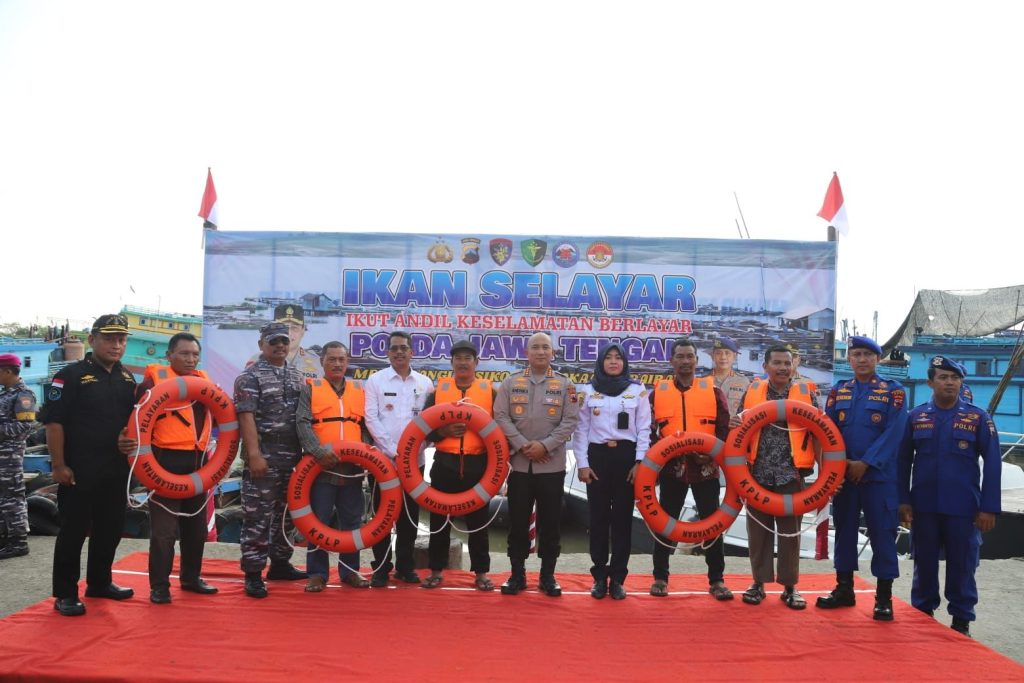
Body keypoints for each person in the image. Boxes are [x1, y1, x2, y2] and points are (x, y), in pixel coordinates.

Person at [41, 315, 138, 616]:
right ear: (92, 340)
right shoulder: (70, 376)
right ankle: (66, 593)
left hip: (115, 469)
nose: (116, 344)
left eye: (121, 339)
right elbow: (53, 422)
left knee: (110, 529)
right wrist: (58, 465)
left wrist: (127, 441)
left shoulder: (127, 379)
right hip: (79, 468)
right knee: (74, 531)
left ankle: (99, 582)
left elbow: (131, 423)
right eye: (109, 338)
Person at [899, 356, 1001, 637]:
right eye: (943, 377)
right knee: (924, 561)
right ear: (931, 382)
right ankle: (923, 614)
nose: (949, 383)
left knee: (963, 563)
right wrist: (903, 500)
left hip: (963, 506)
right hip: (924, 506)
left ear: (961, 383)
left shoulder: (978, 418)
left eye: (954, 378)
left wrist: (989, 508)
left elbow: (993, 464)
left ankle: (961, 620)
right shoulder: (916, 417)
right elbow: (903, 461)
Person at [819, 335, 907, 620]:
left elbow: (895, 433)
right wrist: (840, 463)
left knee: (882, 534)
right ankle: (844, 589)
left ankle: (884, 599)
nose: (862, 360)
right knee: (844, 531)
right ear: (849, 358)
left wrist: (866, 462)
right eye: (856, 354)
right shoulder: (838, 391)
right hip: (845, 475)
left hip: (878, 478)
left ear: (877, 359)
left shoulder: (893, 392)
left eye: (868, 355)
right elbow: (826, 429)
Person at [135, 333, 219, 604]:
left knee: (197, 529)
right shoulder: (153, 382)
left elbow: (223, 416)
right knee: (164, 532)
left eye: (195, 354)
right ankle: (159, 586)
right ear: (169, 355)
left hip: (198, 464)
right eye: (184, 354)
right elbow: (136, 424)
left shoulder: (204, 382)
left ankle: (191, 578)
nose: (190, 359)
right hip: (164, 464)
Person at [495, 332, 580, 597]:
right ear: (527, 353)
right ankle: (517, 575)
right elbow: (500, 416)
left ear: (553, 353)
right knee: (517, 522)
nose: (541, 352)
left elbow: (570, 421)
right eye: (535, 347)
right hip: (519, 467)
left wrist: (545, 446)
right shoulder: (510, 383)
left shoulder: (566, 386)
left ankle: (548, 576)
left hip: (552, 467)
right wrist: (523, 444)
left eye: (545, 347)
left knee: (551, 523)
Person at [648, 338, 733, 601]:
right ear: (672, 361)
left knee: (712, 524)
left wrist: (709, 456)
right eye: (680, 357)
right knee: (666, 523)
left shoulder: (713, 391)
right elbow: (648, 431)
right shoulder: (657, 392)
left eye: (690, 357)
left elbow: (724, 428)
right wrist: (660, 454)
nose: (685, 362)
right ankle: (660, 577)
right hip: (672, 468)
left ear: (697, 361)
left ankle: (716, 580)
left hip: (705, 468)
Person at [735, 345, 819, 609]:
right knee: (757, 533)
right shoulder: (752, 392)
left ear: (794, 366)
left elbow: (819, 433)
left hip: (790, 474)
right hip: (756, 473)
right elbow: (738, 427)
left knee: (789, 534)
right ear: (766, 367)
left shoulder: (807, 395)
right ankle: (758, 583)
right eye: (777, 363)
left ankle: (790, 586)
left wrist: (826, 475)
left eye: (787, 363)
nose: (783, 368)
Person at [234, 322, 308, 599]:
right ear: (261, 344)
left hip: (292, 455)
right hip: (264, 454)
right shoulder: (249, 377)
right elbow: (246, 416)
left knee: (285, 514)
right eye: (273, 341)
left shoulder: (297, 376)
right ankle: (253, 573)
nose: (280, 346)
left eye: (284, 341)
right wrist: (254, 455)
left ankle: (280, 563)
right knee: (257, 516)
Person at [572, 343, 651, 600]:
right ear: (601, 362)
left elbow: (644, 429)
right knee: (597, 519)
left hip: (626, 458)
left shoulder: (637, 390)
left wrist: (640, 463)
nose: (614, 361)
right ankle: (598, 577)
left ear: (625, 362)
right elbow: (581, 430)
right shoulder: (587, 391)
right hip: (598, 458)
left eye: (619, 357)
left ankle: (617, 578)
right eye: (609, 357)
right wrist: (582, 464)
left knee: (622, 520)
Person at [421, 340, 497, 591]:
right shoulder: (438, 392)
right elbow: (424, 431)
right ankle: (435, 570)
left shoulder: (490, 392)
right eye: (458, 358)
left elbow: (500, 431)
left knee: (479, 523)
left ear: (477, 363)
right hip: (445, 464)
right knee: (438, 521)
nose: (463, 362)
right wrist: (444, 431)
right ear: (451, 363)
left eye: (468, 358)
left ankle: (481, 573)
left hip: (478, 465)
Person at [295, 341, 371, 592]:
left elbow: (365, 427)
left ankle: (350, 572)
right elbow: (302, 423)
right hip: (320, 470)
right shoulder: (311, 388)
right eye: (332, 359)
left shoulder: (359, 389)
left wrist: (364, 453)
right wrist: (318, 452)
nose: (337, 364)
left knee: (351, 522)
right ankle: (317, 574)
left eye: (342, 359)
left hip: (351, 469)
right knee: (318, 522)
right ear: (322, 362)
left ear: (347, 362)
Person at [363, 330, 435, 587]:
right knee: (382, 518)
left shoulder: (425, 383)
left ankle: (405, 567)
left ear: (412, 351)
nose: (399, 352)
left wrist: (412, 452)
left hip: (415, 463)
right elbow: (371, 419)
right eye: (394, 348)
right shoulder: (375, 381)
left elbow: (430, 422)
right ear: (387, 352)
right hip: (382, 461)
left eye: (404, 348)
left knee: (409, 518)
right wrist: (395, 451)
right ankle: (381, 567)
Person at [0, 354, 36, 560]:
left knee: (12, 499)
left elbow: (25, 425)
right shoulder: (5, 394)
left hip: (10, 456)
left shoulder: (24, 395)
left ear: (7, 371)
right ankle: (5, 538)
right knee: (2, 499)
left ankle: (18, 541)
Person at [247, 303, 320, 379]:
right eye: (283, 328)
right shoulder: (256, 360)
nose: (289, 333)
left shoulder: (317, 362)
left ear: (303, 331)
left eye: (294, 328)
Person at [707, 336, 749, 416]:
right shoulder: (702, 382)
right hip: (709, 427)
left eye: (727, 353)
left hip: (735, 428)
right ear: (712, 356)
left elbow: (747, 410)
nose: (723, 357)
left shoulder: (744, 382)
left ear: (735, 356)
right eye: (718, 353)